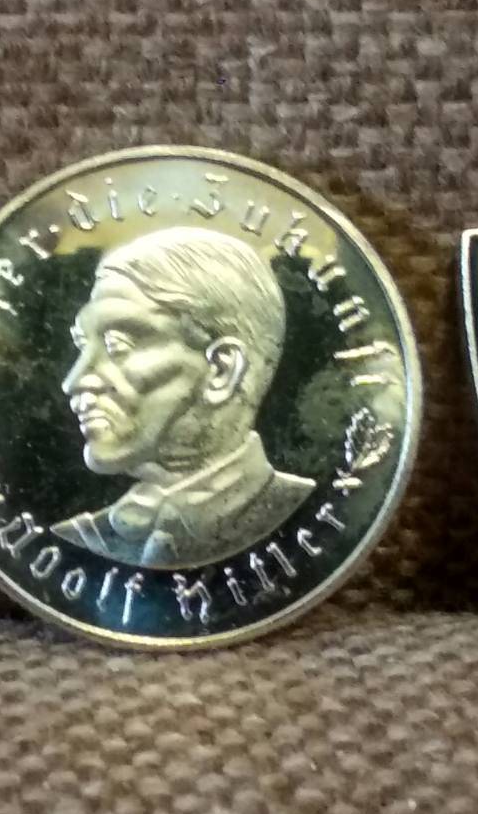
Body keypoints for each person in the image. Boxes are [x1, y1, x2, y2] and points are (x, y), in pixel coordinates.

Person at [52, 227, 314, 569]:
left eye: (119, 345)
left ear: (221, 371)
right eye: (82, 345)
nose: (73, 382)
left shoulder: (301, 512)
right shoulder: (79, 538)